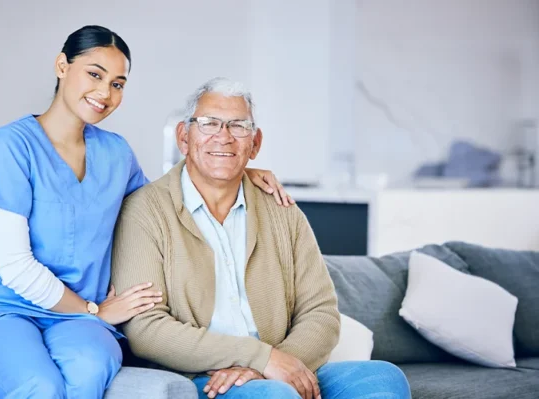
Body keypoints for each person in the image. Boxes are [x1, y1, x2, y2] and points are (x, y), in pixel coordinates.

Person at [0, 26, 294, 399]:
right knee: (40, 387)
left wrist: (230, 171)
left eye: (118, 84)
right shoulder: (9, 147)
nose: (105, 93)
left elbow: (162, 205)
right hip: (5, 307)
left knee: (90, 373)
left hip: (77, 322)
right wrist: (92, 310)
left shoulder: (116, 153)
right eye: (95, 74)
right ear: (62, 66)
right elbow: (14, 266)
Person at [110, 77, 412, 399]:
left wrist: (274, 365)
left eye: (239, 126)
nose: (223, 137)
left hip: (281, 364)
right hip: (202, 377)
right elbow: (146, 329)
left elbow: (321, 312)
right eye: (209, 124)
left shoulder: (281, 210)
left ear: (255, 144)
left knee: (383, 379)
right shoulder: (146, 210)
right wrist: (262, 359)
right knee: (273, 396)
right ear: (184, 138)